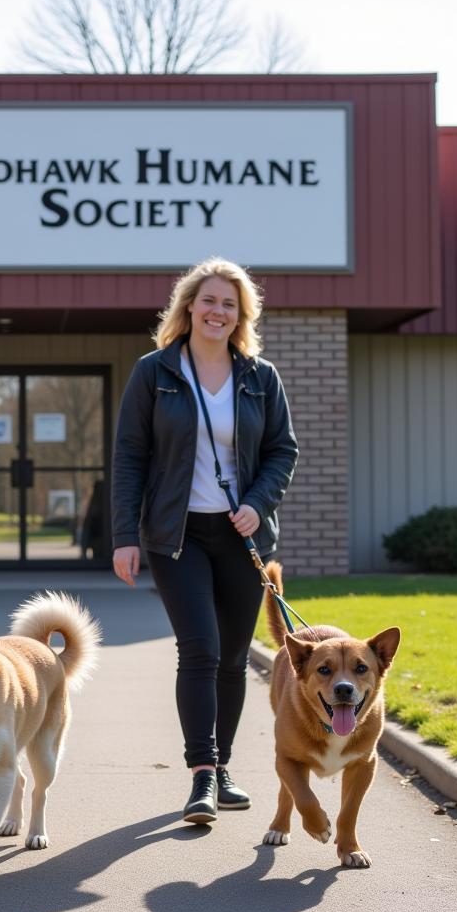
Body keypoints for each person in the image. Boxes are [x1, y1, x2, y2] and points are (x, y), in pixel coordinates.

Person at [111, 257, 298, 823]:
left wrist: (255, 504)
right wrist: (125, 536)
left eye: (229, 305)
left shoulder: (259, 377)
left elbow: (281, 452)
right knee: (200, 649)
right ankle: (200, 776)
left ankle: (222, 769)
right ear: (188, 306)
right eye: (209, 300)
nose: (218, 312)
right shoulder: (155, 371)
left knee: (234, 659)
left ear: (241, 316)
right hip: (178, 534)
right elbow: (129, 456)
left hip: (242, 536)